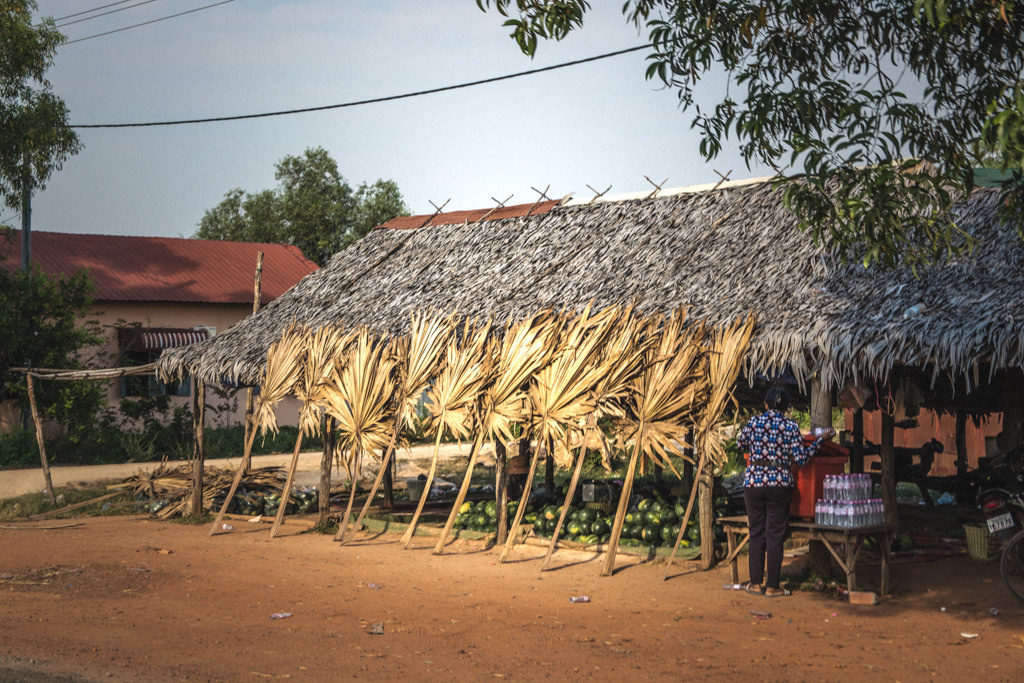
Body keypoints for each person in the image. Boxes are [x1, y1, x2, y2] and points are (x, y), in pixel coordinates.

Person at [737, 387, 834, 597]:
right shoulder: (790, 426)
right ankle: (772, 586)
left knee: (756, 532)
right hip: (779, 484)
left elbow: (740, 442)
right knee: (774, 535)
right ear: (786, 407)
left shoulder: (754, 422)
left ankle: (754, 584)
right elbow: (801, 458)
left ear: (765, 404)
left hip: (753, 482)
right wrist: (820, 441)